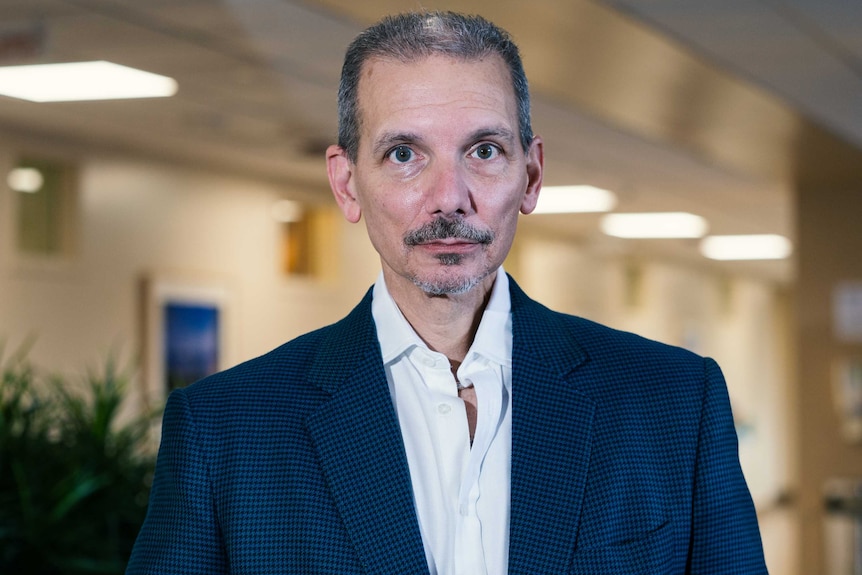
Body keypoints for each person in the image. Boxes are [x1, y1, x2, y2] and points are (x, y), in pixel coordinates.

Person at [127, 11, 768, 575]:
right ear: (347, 184)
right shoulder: (227, 432)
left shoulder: (674, 405)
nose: (449, 198)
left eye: (483, 150)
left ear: (532, 174)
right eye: (404, 154)